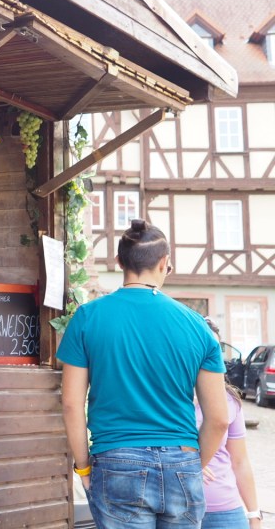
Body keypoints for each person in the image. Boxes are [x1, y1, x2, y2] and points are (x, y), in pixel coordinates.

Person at [58, 218, 229, 529]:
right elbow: (218, 419)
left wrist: (83, 468)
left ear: (119, 261)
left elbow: (71, 404)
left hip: (116, 459)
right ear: (164, 263)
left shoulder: (87, 317)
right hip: (182, 460)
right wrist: (191, 466)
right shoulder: (197, 326)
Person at [197, 319, 263, 529]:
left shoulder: (229, 399)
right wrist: (190, 463)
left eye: (216, 348)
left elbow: (240, 461)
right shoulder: (167, 396)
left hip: (225, 512)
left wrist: (254, 515)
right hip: (178, 509)